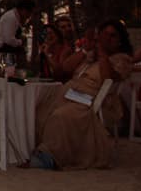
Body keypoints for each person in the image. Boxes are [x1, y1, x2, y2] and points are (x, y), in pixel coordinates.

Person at [29, 20, 134, 170]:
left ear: (119, 41)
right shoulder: (90, 55)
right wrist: (85, 51)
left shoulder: (121, 59)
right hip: (70, 94)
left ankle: (50, 157)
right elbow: (65, 68)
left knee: (61, 116)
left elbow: (108, 79)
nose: (107, 39)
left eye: (112, 36)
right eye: (104, 35)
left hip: (92, 101)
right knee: (40, 110)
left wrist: (103, 54)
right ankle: (35, 149)